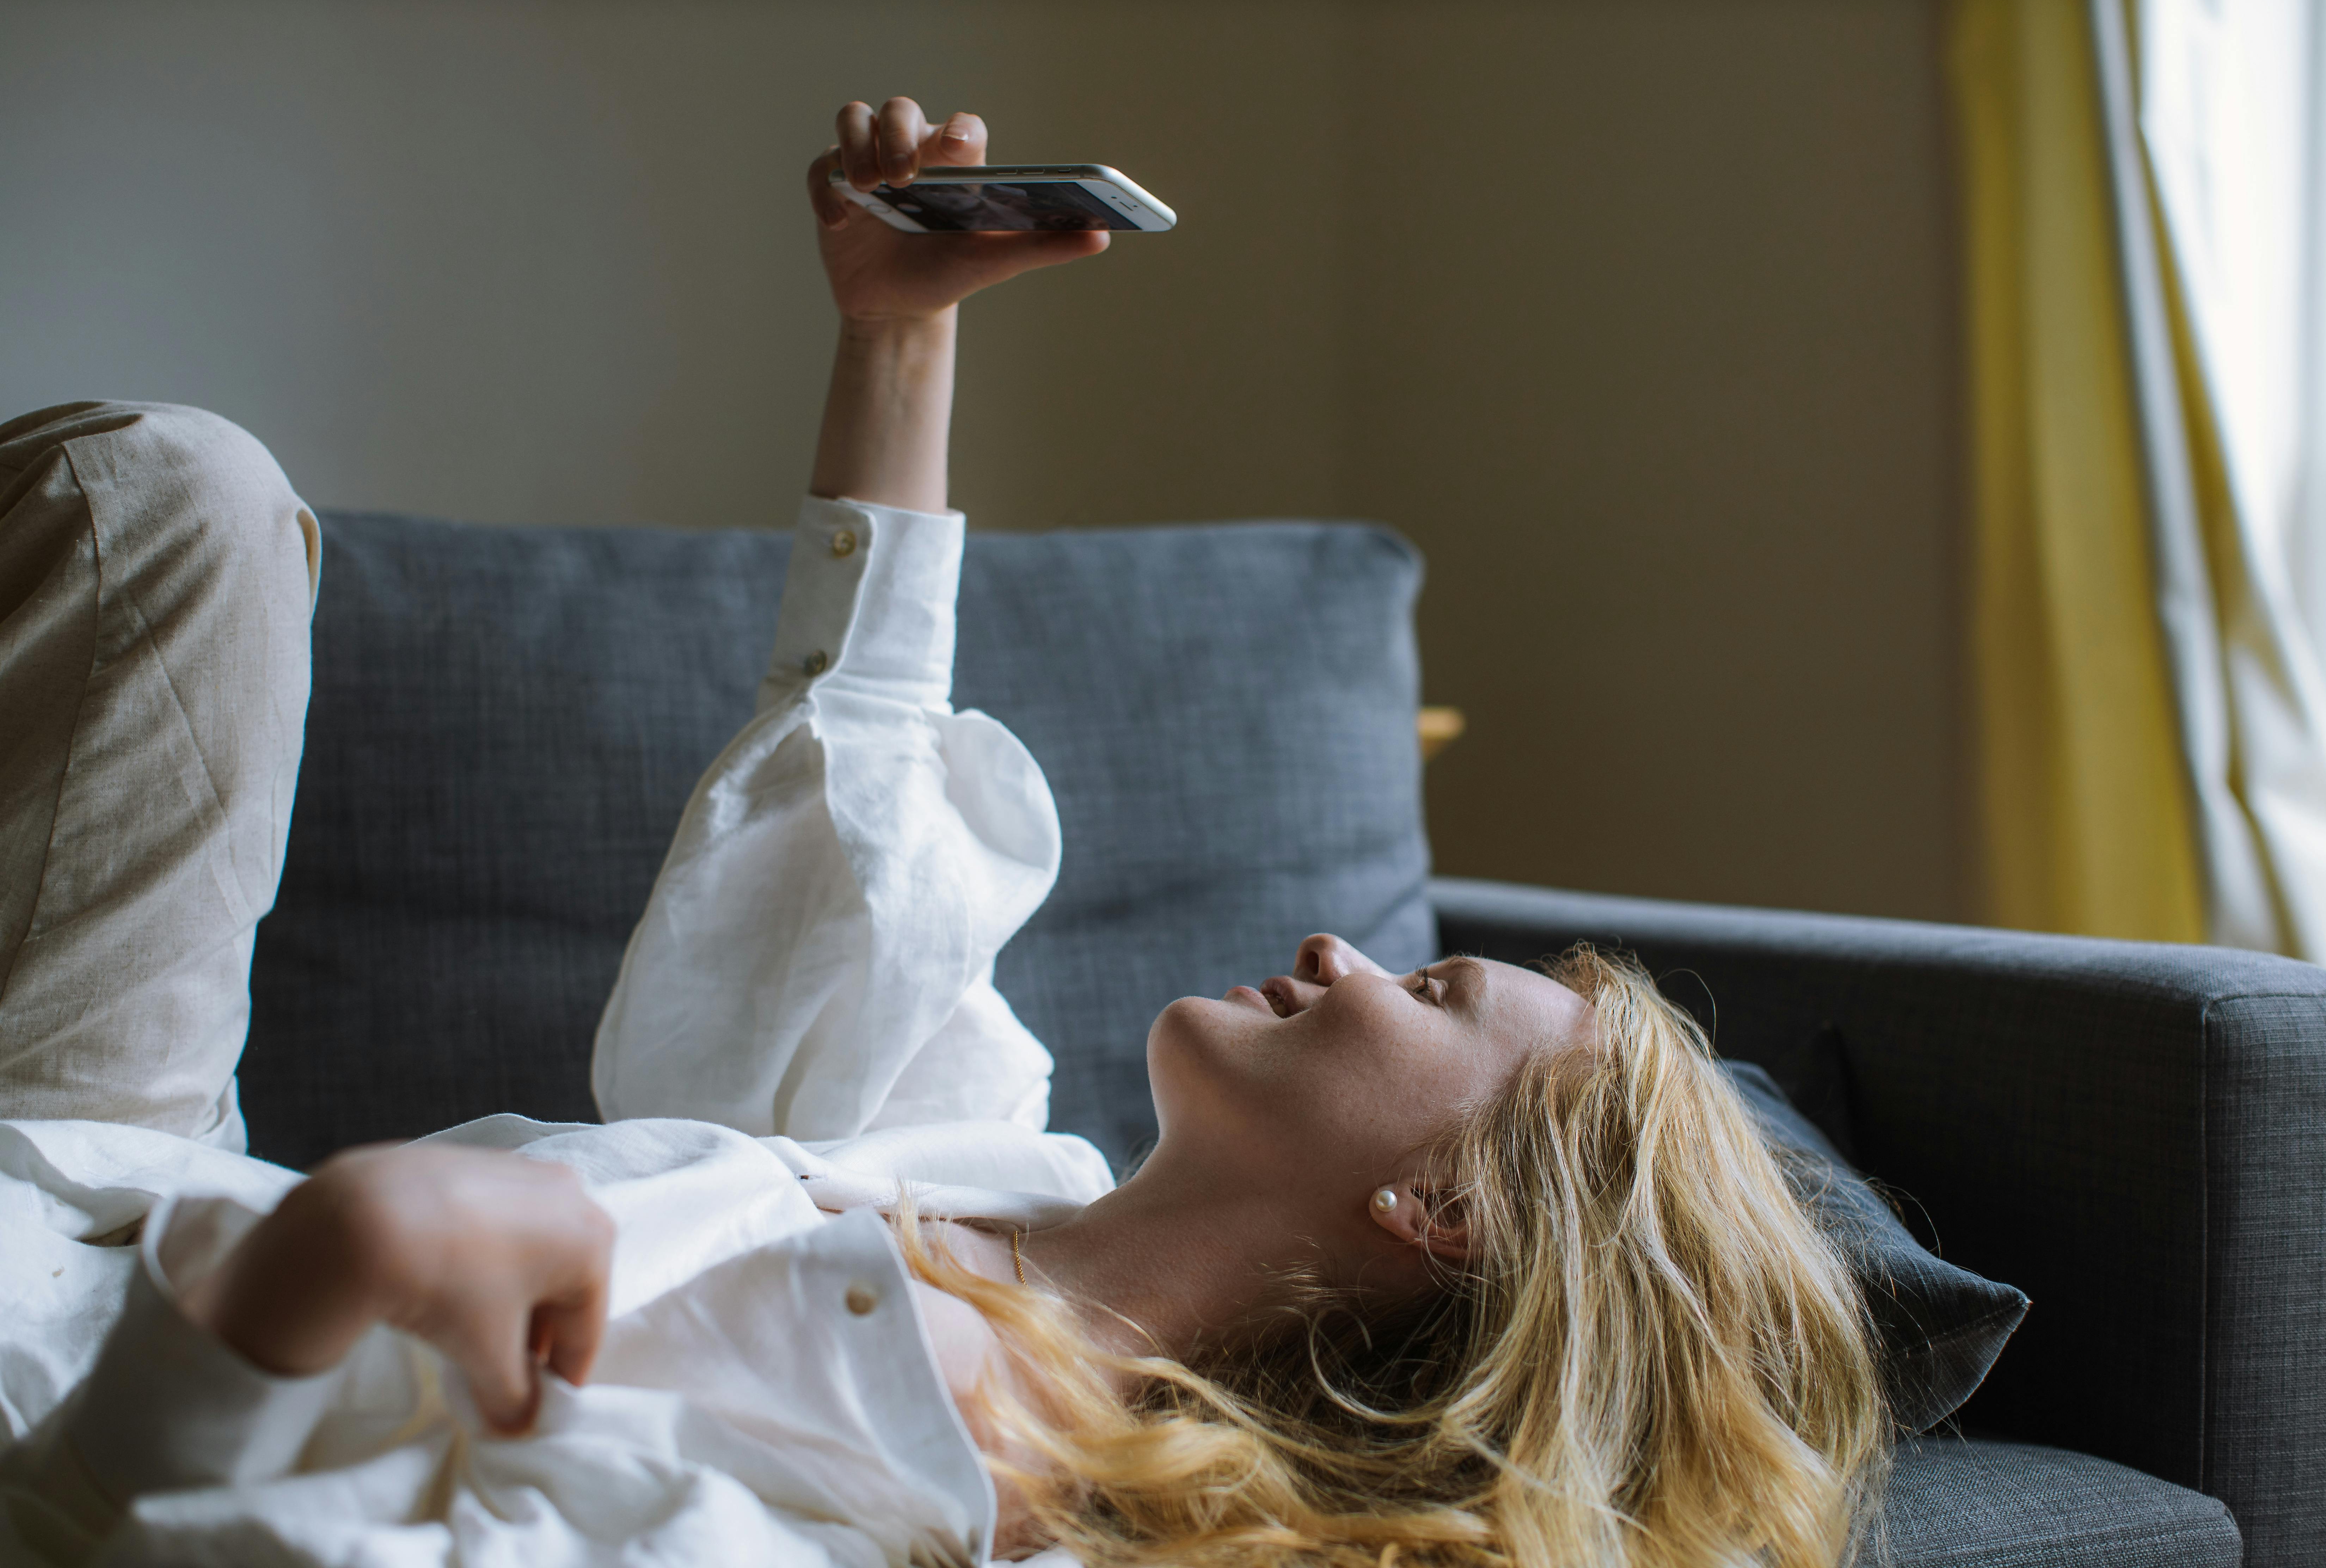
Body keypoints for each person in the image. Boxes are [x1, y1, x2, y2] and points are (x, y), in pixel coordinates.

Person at [0, 98, 1888, 1568]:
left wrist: (333, 1258)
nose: (1342, 949)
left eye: (1429, 986)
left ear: (1446, 1214)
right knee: (167, 497)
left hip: (57, 1391)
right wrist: (898, 343)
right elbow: (863, 801)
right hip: (97, 1167)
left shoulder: (974, 1477)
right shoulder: (1003, 1163)